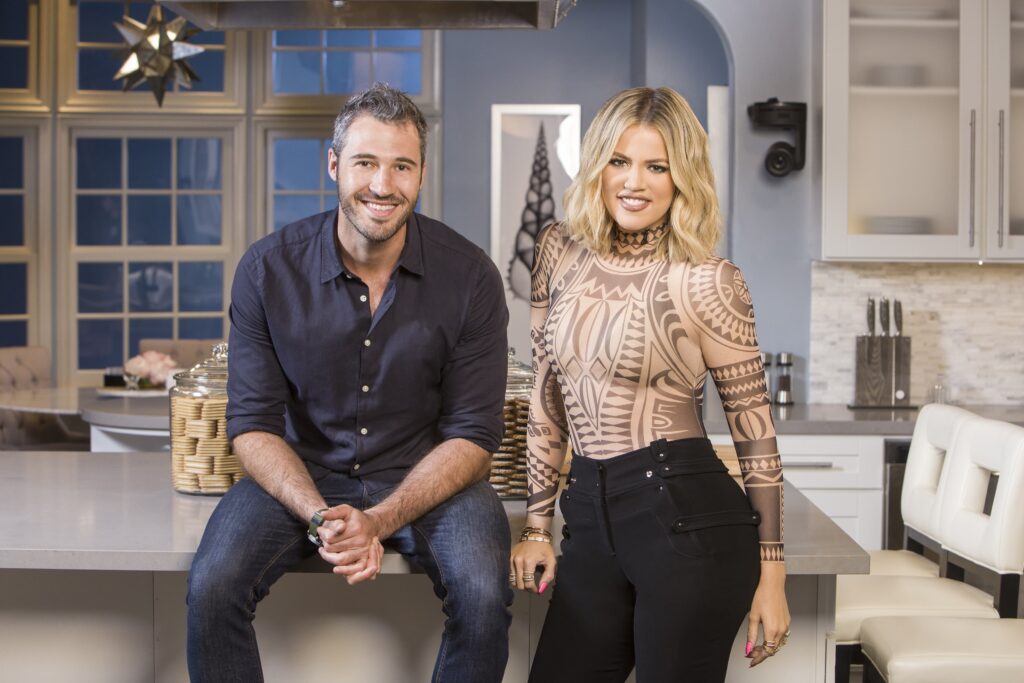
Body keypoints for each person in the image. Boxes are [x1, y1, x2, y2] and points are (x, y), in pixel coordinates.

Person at [187, 83, 513, 683]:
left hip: (427, 476)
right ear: (334, 164)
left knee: (485, 595)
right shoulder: (266, 269)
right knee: (212, 587)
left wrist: (380, 521)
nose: (383, 185)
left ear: (421, 174)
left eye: (402, 166)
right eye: (366, 162)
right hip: (301, 474)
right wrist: (318, 515)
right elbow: (252, 425)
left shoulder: (471, 277)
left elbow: (473, 434)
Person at [510, 86, 791, 683]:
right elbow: (545, 397)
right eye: (619, 161)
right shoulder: (557, 249)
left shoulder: (710, 281)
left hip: (687, 521)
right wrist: (537, 526)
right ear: (597, 166)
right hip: (588, 516)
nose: (634, 182)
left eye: (657, 166)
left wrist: (772, 577)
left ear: (682, 176)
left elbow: (755, 435)